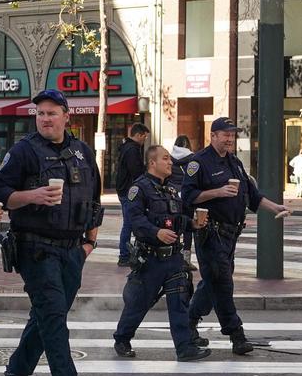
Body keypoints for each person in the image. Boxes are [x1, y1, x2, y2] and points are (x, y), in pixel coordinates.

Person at [0, 89, 103, 376]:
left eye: (52, 113)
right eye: (40, 113)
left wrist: (89, 243)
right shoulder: (24, 151)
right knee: (54, 318)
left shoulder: (82, 151)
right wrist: (32, 195)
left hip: (72, 250)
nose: (45, 118)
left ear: (67, 116)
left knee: (46, 317)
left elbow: (95, 200)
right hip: (36, 248)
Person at [182, 117, 290, 355]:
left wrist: (276, 208)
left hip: (230, 236)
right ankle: (236, 334)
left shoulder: (235, 164)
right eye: (225, 134)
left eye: (232, 134)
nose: (230, 138)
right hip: (210, 234)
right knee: (222, 284)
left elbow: (253, 197)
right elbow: (188, 196)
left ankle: (187, 323)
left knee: (213, 283)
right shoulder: (198, 163)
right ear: (213, 136)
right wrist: (217, 192)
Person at [113, 145, 211, 362]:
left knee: (179, 303)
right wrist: (156, 232)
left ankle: (184, 348)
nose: (170, 163)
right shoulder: (139, 189)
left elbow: (177, 219)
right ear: (152, 163)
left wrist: (192, 224)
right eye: (165, 159)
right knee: (139, 303)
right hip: (150, 259)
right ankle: (122, 338)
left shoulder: (173, 190)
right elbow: (135, 221)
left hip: (174, 259)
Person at [116, 123, 150, 267]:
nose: (145, 139)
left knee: (129, 222)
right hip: (129, 191)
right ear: (138, 135)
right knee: (129, 223)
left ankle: (127, 253)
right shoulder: (132, 150)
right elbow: (136, 171)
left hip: (125, 189)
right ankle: (124, 255)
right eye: (144, 136)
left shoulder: (127, 147)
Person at [170, 135, 196, 264]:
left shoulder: (169, 158)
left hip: (173, 196)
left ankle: (174, 254)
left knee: (174, 224)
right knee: (188, 227)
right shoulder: (193, 159)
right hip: (187, 196)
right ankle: (186, 258)